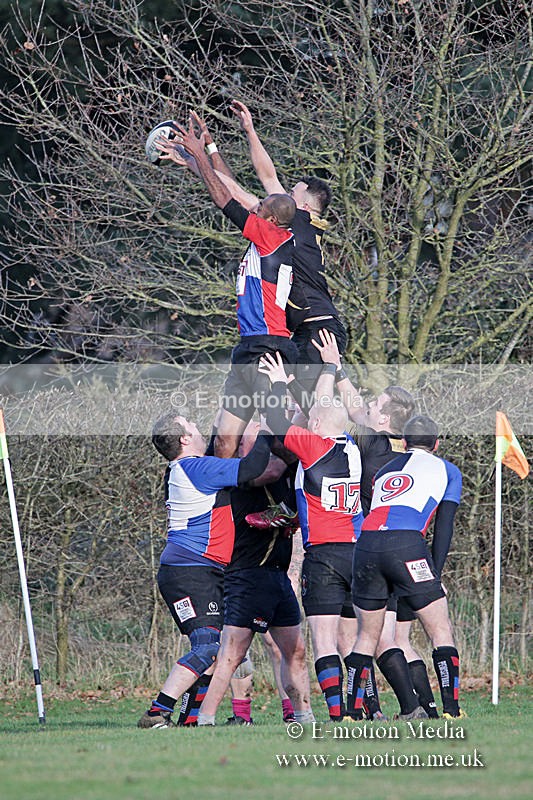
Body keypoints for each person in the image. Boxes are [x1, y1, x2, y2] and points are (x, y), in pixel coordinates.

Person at [156, 117, 298, 460]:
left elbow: (226, 202)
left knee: (280, 437)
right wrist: (202, 155)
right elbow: (230, 188)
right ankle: (218, 508)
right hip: (247, 348)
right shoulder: (268, 231)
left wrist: (197, 155)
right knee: (222, 442)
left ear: (272, 220)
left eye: (260, 208)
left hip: (270, 347)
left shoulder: (272, 236)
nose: (255, 206)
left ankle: (298, 497)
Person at [137, 411, 273, 729]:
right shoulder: (196, 467)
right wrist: (269, 429)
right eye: (192, 426)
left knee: (213, 646)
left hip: (195, 571)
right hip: (190, 572)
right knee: (208, 646)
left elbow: (218, 444)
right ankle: (157, 712)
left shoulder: (185, 468)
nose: (198, 429)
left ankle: (189, 719)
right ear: (184, 439)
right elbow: (253, 467)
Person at [257, 351, 363, 722]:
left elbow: (273, 421)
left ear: (315, 423)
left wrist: (278, 382)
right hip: (357, 553)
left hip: (324, 555)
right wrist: (329, 368)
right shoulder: (351, 446)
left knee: (324, 639)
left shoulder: (313, 445)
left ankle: (337, 712)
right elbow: (326, 408)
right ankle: (359, 707)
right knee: (355, 641)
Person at [345, 415, 465, 721]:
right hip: (407, 544)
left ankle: (351, 713)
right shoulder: (447, 470)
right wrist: (434, 575)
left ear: (405, 443)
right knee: (439, 630)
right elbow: (444, 527)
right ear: (436, 444)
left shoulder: (385, 470)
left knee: (366, 637)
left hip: (367, 545)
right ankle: (451, 710)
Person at [196, 420, 315, 726]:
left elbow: (293, 459)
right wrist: (265, 434)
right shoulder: (236, 472)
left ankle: (304, 716)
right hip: (246, 575)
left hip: (277, 575)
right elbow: (269, 470)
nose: (265, 434)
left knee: (296, 651)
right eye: (254, 431)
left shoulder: (284, 466)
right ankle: (205, 719)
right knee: (232, 653)